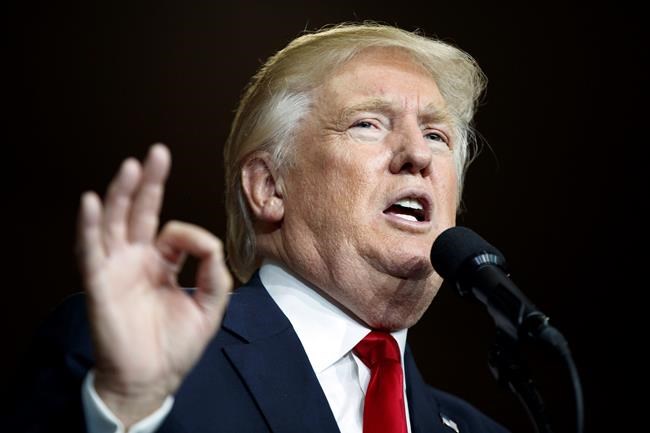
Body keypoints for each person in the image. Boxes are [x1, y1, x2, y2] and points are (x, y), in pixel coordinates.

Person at [9, 23, 511, 433]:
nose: (419, 155)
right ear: (269, 187)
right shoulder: (134, 355)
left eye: (436, 134)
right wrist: (127, 410)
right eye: (368, 123)